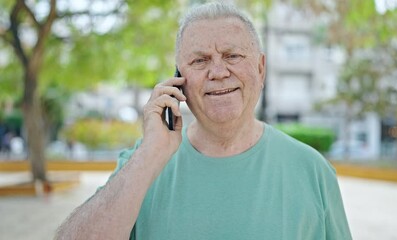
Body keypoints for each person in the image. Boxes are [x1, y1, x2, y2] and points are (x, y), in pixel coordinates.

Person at [55, 2, 352, 239]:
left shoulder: (313, 170)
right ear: (178, 80)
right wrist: (150, 154)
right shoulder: (141, 164)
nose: (218, 71)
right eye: (199, 61)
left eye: (233, 55)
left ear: (260, 68)